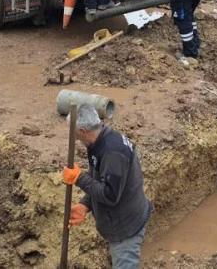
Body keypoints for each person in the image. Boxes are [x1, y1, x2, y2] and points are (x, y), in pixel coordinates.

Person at [63, 104, 152, 269]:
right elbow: (100, 179)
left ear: (82, 131)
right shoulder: (98, 142)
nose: (74, 139)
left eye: (74, 134)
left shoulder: (112, 153)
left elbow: (110, 194)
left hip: (126, 229)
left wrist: (79, 178)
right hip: (122, 218)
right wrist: (86, 204)